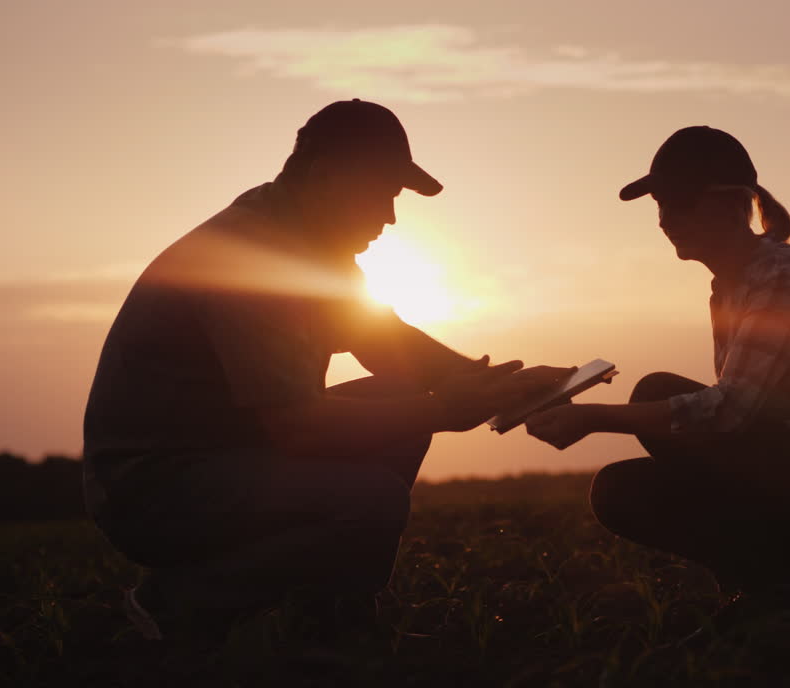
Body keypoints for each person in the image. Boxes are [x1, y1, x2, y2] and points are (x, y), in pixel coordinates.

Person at [83, 99, 568, 641]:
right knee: (373, 499)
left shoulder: (312, 245)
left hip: (227, 457)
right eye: (380, 193)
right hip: (156, 491)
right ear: (324, 176)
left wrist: (507, 387)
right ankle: (178, 603)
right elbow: (298, 426)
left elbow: (391, 346)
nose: (389, 216)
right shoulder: (251, 255)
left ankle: (334, 618)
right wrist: (443, 409)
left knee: (395, 397)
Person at [526, 126, 790, 609]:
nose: (665, 220)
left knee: (654, 395)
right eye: (660, 206)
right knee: (621, 488)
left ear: (732, 203)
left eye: (678, 202)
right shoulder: (730, 288)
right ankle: (772, 584)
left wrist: (593, 417)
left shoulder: (782, 274)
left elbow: (731, 409)